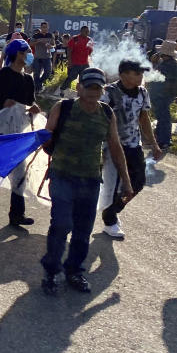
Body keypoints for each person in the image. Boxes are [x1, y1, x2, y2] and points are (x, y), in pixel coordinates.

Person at [40, 68, 133, 296]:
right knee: (61, 225)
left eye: (97, 88)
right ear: (79, 87)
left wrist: (127, 182)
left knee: (83, 230)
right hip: (62, 176)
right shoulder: (63, 107)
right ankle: (51, 271)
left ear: (102, 90)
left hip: (90, 181)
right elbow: (45, 137)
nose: (93, 91)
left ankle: (74, 271)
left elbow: (115, 147)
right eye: (88, 86)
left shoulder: (107, 113)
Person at [0, 39, 40, 225]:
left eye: (29, 51)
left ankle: (17, 214)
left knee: (20, 174)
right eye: (25, 52)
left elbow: (30, 102)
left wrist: (34, 107)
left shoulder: (28, 80)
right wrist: (1, 104)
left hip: (18, 134)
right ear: (15, 54)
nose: (28, 55)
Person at [101, 60, 165, 238]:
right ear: (123, 75)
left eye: (141, 73)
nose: (141, 76)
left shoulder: (143, 93)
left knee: (137, 182)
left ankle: (112, 210)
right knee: (112, 184)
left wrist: (153, 143)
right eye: (137, 73)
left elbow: (144, 119)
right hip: (112, 146)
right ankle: (110, 221)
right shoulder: (108, 92)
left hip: (133, 145)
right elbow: (97, 118)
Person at [147, 40, 177, 151]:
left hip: (163, 95)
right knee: (162, 117)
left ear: (164, 54)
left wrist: (153, 64)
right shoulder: (170, 63)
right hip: (166, 95)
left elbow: (154, 77)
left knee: (164, 118)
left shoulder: (167, 65)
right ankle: (160, 138)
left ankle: (164, 141)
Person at [60, 25, 93, 96]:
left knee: (83, 79)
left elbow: (90, 52)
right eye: (86, 31)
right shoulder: (75, 39)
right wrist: (70, 62)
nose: (87, 33)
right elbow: (69, 50)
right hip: (75, 63)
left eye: (88, 31)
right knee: (72, 77)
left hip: (85, 64)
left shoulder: (89, 40)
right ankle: (62, 89)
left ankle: (80, 94)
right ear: (81, 31)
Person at [29, 22, 55, 93]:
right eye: (43, 27)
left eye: (46, 27)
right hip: (38, 57)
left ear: (48, 27)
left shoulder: (50, 35)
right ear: (41, 28)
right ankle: (37, 89)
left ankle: (38, 84)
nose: (44, 28)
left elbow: (53, 44)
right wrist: (38, 41)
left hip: (47, 57)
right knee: (36, 73)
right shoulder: (36, 35)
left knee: (48, 72)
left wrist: (51, 46)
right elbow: (30, 44)